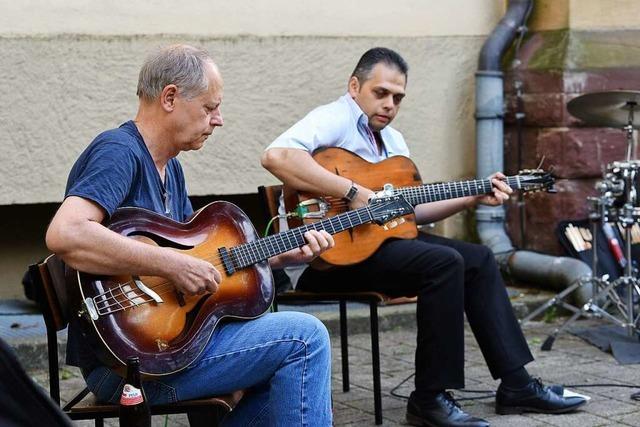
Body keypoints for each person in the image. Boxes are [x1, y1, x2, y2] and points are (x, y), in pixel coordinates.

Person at [261, 47, 587, 427]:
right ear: (354, 86)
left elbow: (411, 213)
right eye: (380, 93)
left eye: (397, 98)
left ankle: (516, 385)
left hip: (383, 248)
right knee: (444, 263)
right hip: (330, 257)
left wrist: (472, 197)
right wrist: (352, 191)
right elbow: (276, 157)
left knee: (479, 259)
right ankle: (429, 399)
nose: (389, 105)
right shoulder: (333, 119)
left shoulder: (394, 145)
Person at [45, 44, 336, 426]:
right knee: (305, 339)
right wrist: (170, 263)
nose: (218, 120)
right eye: (209, 107)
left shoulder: (171, 169)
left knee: (288, 378)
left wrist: (279, 256)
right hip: (126, 365)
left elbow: (198, 263)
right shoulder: (118, 152)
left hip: (169, 349)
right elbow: (65, 234)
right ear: (170, 97)